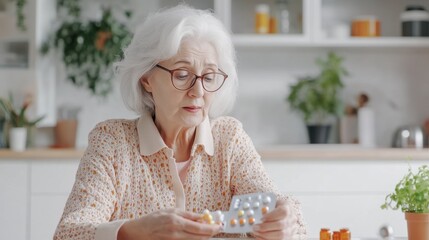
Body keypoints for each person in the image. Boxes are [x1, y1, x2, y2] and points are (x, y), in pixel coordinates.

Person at [54, 5, 306, 240]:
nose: (198, 91)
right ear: (146, 78)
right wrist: (133, 231)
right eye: (182, 75)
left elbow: (275, 206)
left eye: (208, 77)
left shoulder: (229, 138)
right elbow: (68, 233)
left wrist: (287, 218)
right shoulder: (112, 141)